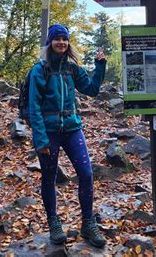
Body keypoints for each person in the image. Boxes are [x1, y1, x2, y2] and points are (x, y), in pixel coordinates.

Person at [28, 24, 107, 247]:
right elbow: (34, 107)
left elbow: (91, 89)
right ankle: (54, 223)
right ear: (50, 42)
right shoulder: (40, 70)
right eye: (57, 39)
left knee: (86, 173)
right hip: (49, 132)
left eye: (64, 39)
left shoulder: (72, 68)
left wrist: (99, 66)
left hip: (72, 129)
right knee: (49, 178)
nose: (61, 42)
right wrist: (40, 139)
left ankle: (88, 224)